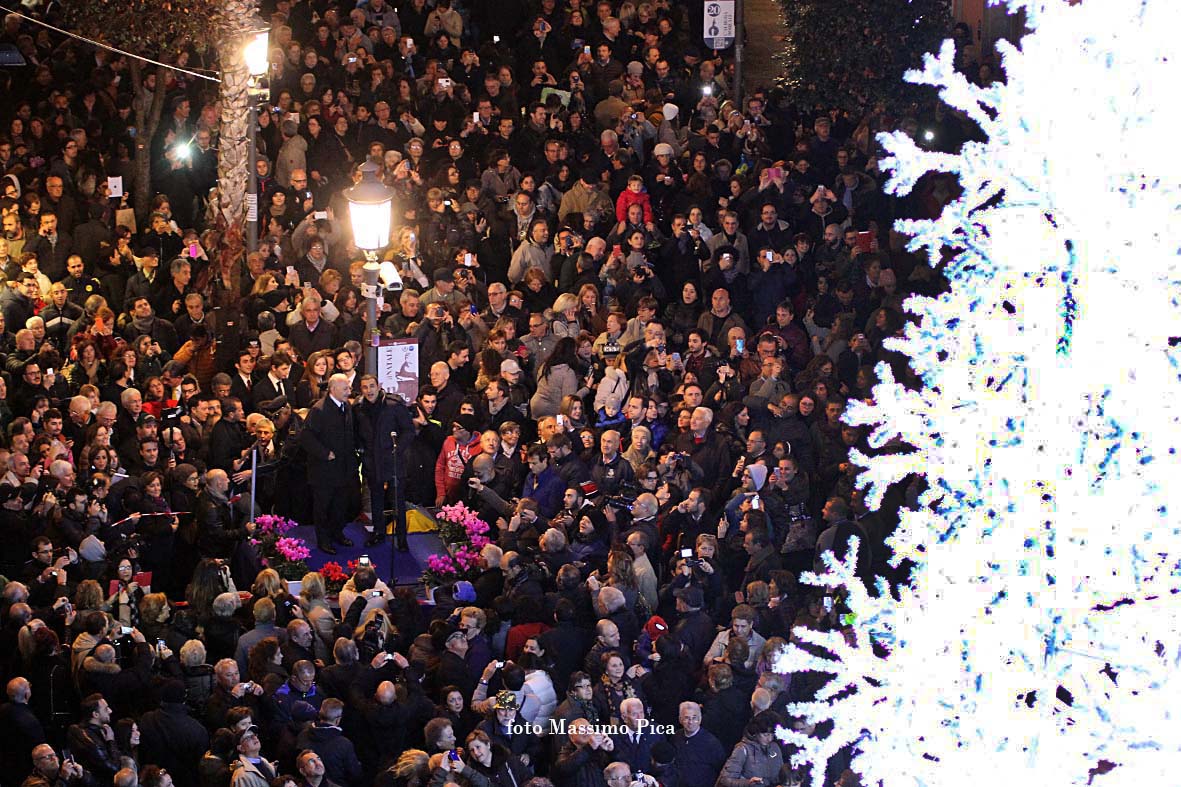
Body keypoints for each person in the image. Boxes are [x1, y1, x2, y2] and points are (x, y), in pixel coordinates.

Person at [300, 374, 359, 554]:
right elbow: (306, 437)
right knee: (323, 507)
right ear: (333, 389)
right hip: (324, 470)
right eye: (345, 389)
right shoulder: (319, 410)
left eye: (349, 388)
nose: (349, 392)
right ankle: (323, 540)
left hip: (343, 468)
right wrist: (325, 453)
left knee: (340, 505)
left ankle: (337, 533)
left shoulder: (346, 406)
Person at [356, 374, 415, 550]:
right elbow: (356, 434)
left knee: (397, 502)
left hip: (393, 461)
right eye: (365, 387)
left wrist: (397, 449)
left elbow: (408, 430)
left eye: (371, 386)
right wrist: (362, 451)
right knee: (376, 501)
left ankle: (402, 539)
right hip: (372, 462)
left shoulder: (393, 405)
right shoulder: (358, 409)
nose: (369, 390)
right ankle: (378, 533)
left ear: (378, 386)